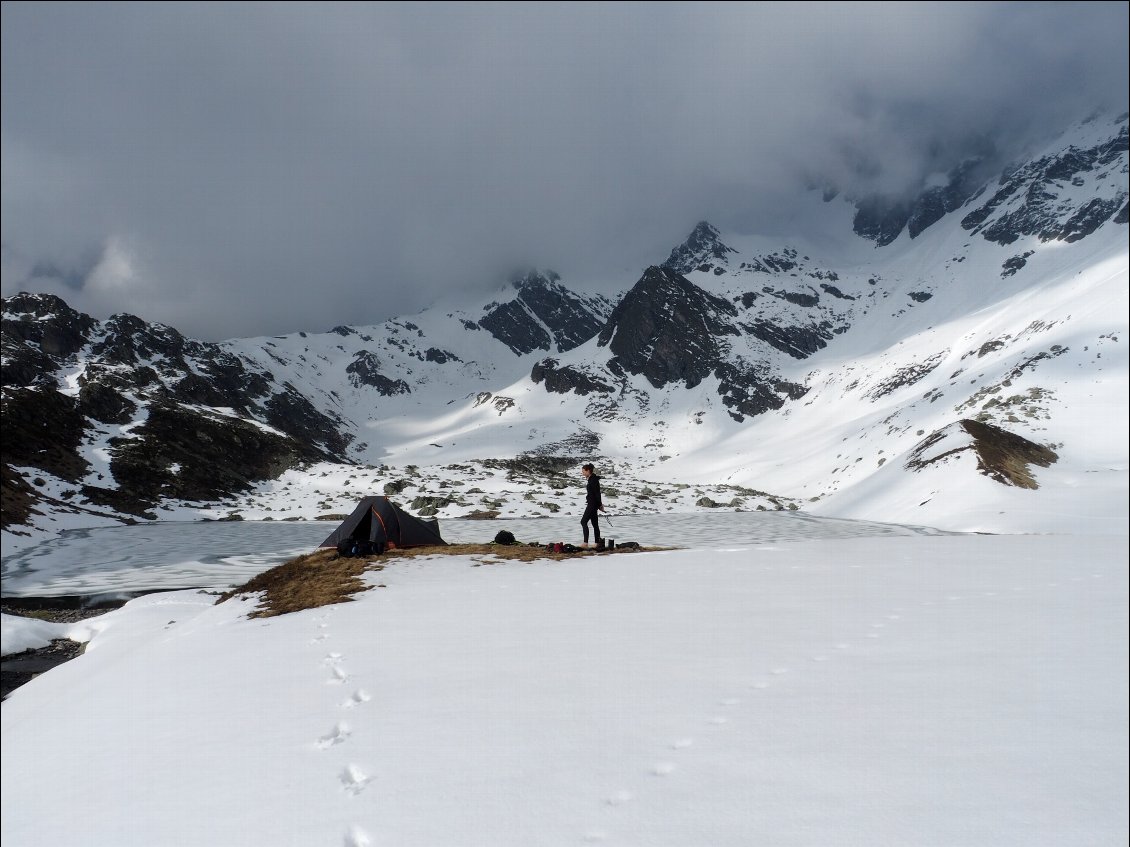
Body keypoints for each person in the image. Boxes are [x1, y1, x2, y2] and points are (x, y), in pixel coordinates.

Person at [580, 463, 604, 547]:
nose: (582, 473)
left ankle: (585, 543)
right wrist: (599, 505)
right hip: (593, 504)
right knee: (595, 524)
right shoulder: (592, 479)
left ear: (588, 471)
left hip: (592, 504)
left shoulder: (593, 480)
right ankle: (597, 543)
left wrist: (600, 505)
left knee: (583, 521)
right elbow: (596, 493)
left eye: (583, 471)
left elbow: (597, 493)